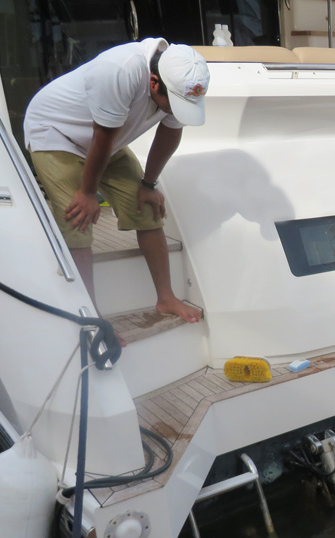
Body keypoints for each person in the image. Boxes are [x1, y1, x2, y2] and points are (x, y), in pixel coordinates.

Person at [24, 38, 208, 324]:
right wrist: (87, 193)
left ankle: (166, 298)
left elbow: (170, 133)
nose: (174, 111)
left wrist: (149, 184)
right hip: (57, 133)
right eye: (173, 105)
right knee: (77, 219)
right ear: (154, 83)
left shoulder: (181, 82)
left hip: (108, 139)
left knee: (147, 209)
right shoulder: (119, 70)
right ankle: (90, 314)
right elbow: (102, 138)